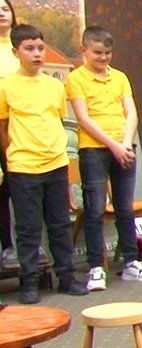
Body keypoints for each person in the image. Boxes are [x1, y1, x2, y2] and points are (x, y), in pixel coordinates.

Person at [0, 23, 88, 304]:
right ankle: (29, 282)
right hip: (23, 166)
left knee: (60, 224)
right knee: (28, 228)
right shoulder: (5, 87)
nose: (37, 53)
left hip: (55, 163)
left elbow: (57, 120)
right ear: (16, 52)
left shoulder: (54, 86)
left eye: (40, 48)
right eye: (30, 48)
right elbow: (3, 128)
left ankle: (66, 277)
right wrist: (13, 154)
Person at [67, 25, 142, 291]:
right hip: (94, 150)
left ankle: (131, 263)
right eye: (97, 52)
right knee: (95, 209)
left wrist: (126, 144)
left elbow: (132, 113)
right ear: (83, 50)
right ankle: (96, 268)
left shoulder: (120, 77)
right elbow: (83, 119)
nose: (103, 57)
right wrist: (114, 146)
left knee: (124, 208)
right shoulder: (76, 78)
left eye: (107, 53)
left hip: (124, 147)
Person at [0, 0, 18, 269]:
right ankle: (7, 246)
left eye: (4, 8)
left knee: (19, 186)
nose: (0, 13)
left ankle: (26, 246)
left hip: (20, 125)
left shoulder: (22, 46)